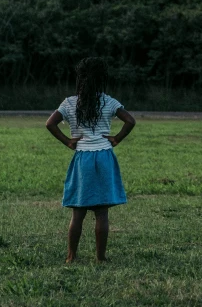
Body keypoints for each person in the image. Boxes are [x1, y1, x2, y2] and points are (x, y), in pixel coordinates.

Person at [45, 57, 136, 263]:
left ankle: (71, 257)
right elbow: (130, 120)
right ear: (102, 79)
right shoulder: (109, 101)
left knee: (78, 213)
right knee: (101, 213)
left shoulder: (69, 103)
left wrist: (68, 141)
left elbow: (50, 124)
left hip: (82, 158)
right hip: (104, 156)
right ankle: (100, 258)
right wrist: (116, 139)